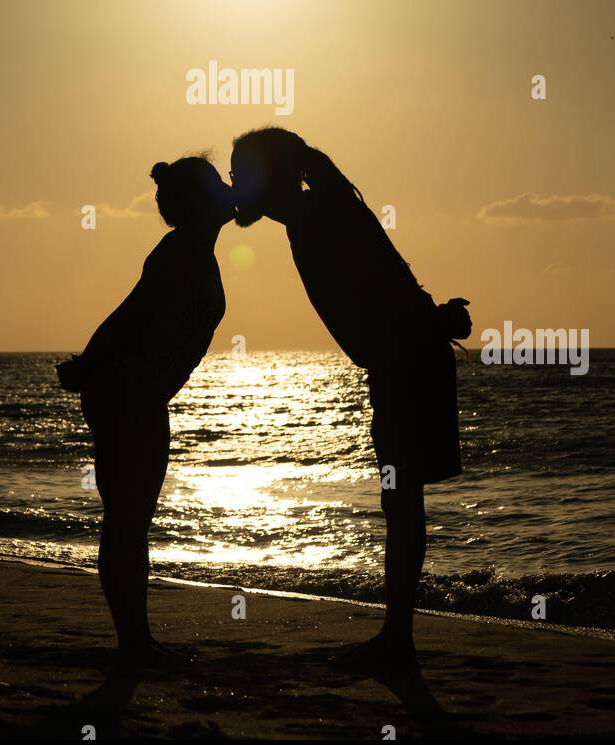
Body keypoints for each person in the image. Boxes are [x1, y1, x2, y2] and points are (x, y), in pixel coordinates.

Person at [230, 127, 471, 672]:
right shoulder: (308, 215)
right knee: (400, 500)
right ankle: (396, 638)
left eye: (239, 174)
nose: (233, 185)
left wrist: (431, 322)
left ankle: (397, 641)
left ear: (269, 177)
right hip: (401, 359)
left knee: (402, 499)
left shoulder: (324, 217)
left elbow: (385, 289)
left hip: (408, 360)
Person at [56, 155, 234, 670]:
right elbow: (130, 318)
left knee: (131, 521)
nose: (229, 189)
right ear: (201, 202)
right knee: (128, 522)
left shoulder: (191, 247)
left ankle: (136, 642)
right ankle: (134, 645)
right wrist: (90, 366)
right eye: (219, 184)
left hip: (132, 393)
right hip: (125, 394)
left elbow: (130, 314)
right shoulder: (180, 252)